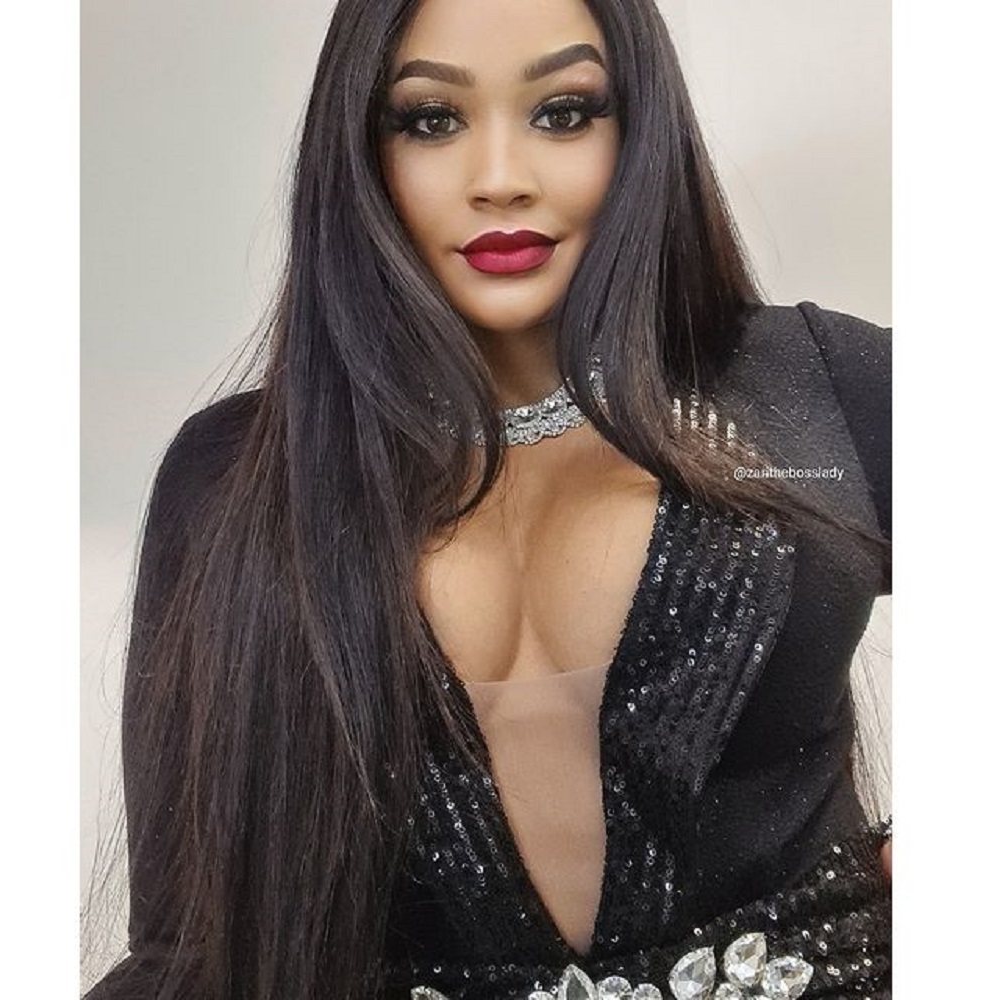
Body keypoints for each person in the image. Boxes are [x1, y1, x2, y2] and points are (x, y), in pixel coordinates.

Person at [85, 1, 891, 998]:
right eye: (431, 120)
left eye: (563, 112)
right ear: (361, 149)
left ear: (637, 127)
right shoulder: (236, 486)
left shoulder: (817, 389)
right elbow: (188, 947)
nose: (500, 177)